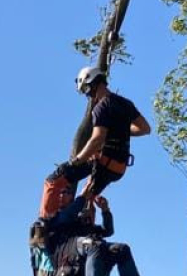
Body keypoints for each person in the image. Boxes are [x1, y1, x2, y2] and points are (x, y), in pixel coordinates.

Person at [31, 192, 157, 276]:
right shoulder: (62, 222)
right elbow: (68, 215)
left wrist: (105, 210)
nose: (90, 214)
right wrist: (85, 197)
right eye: (87, 212)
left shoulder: (91, 230)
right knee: (92, 244)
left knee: (122, 249)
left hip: (89, 271)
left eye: (92, 212)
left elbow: (108, 230)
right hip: (68, 272)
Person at [52, 66, 151, 201]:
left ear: (94, 83)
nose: (88, 96)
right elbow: (145, 129)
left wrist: (76, 161)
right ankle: (84, 217)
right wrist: (119, 129)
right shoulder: (125, 103)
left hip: (104, 161)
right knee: (85, 199)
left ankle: (45, 219)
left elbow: (97, 139)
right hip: (119, 167)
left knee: (55, 179)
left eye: (87, 90)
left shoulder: (101, 107)